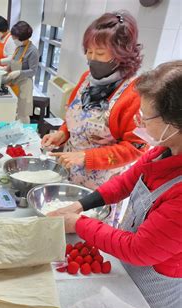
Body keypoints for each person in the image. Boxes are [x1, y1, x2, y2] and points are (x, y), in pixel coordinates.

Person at [49, 61, 182, 308]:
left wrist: (79, 224)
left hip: (156, 290)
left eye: (145, 117)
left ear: (175, 122)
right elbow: (125, 182)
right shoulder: (163, 150)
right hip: (130, 270)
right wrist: (80, 205)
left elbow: (139, 250)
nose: (139, 123)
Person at [42, 12, 147, 192]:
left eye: (99, 53)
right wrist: (62, 134)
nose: (92, 59)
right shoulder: (86, 80)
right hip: (69, 171)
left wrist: (86, 157)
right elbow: (75, 118)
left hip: (102, 185)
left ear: (121, 55)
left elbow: (135, 148)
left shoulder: (135, 94)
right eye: (89, 52)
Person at [4, 21, 39, 123]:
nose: (13, 39)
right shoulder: (18, 47)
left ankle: (25, 135)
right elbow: (12, 61)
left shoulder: (33, 51)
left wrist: (19, 72)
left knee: (23, 113)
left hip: (24, 85)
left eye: (15, 37)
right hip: (14, 83)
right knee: (13, 111)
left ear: (22, 37)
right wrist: (6, 69)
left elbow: (33, 71)